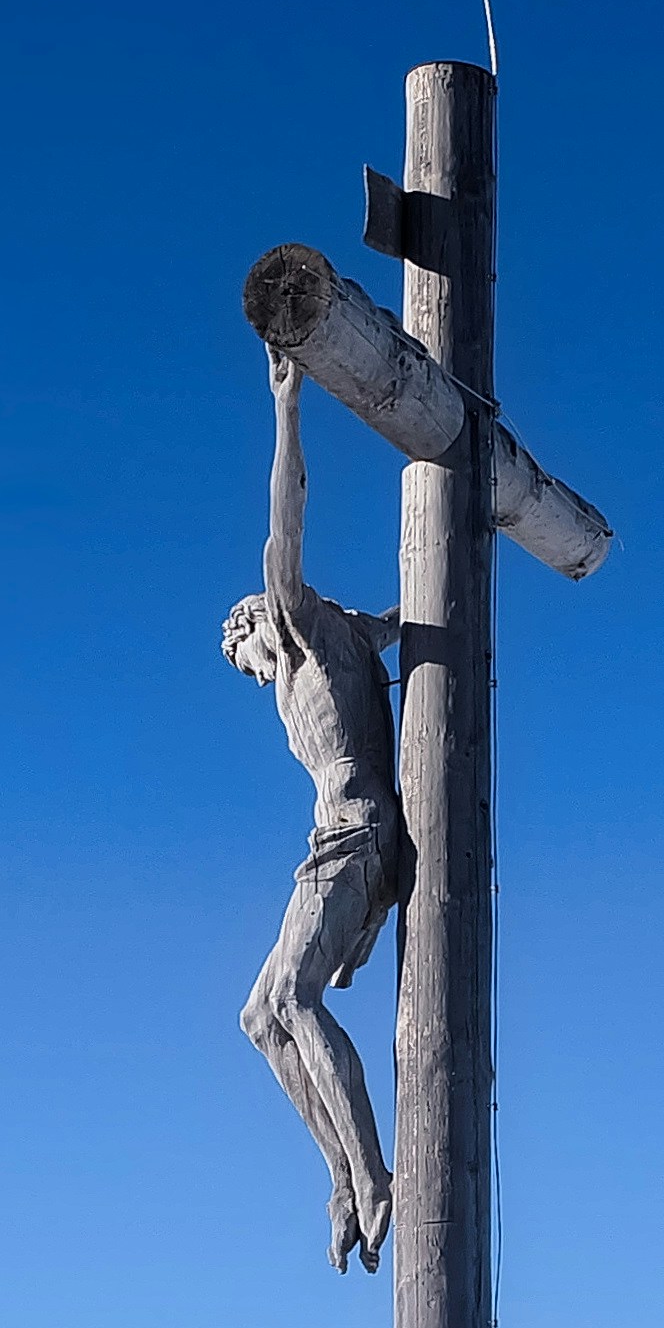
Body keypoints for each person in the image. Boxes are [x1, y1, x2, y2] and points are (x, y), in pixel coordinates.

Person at [220, 345, 411, 1272]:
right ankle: (342, 1174)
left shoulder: (296, 626)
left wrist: (287, 401)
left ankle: (373, 1177)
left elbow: (283, 516)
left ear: (257, 624)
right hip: (337, 841)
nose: (252, 675)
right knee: (259, 1017)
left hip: (355, 834)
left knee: (288, 997)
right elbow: (403, 620)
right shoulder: (351, 638)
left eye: (243, 655)